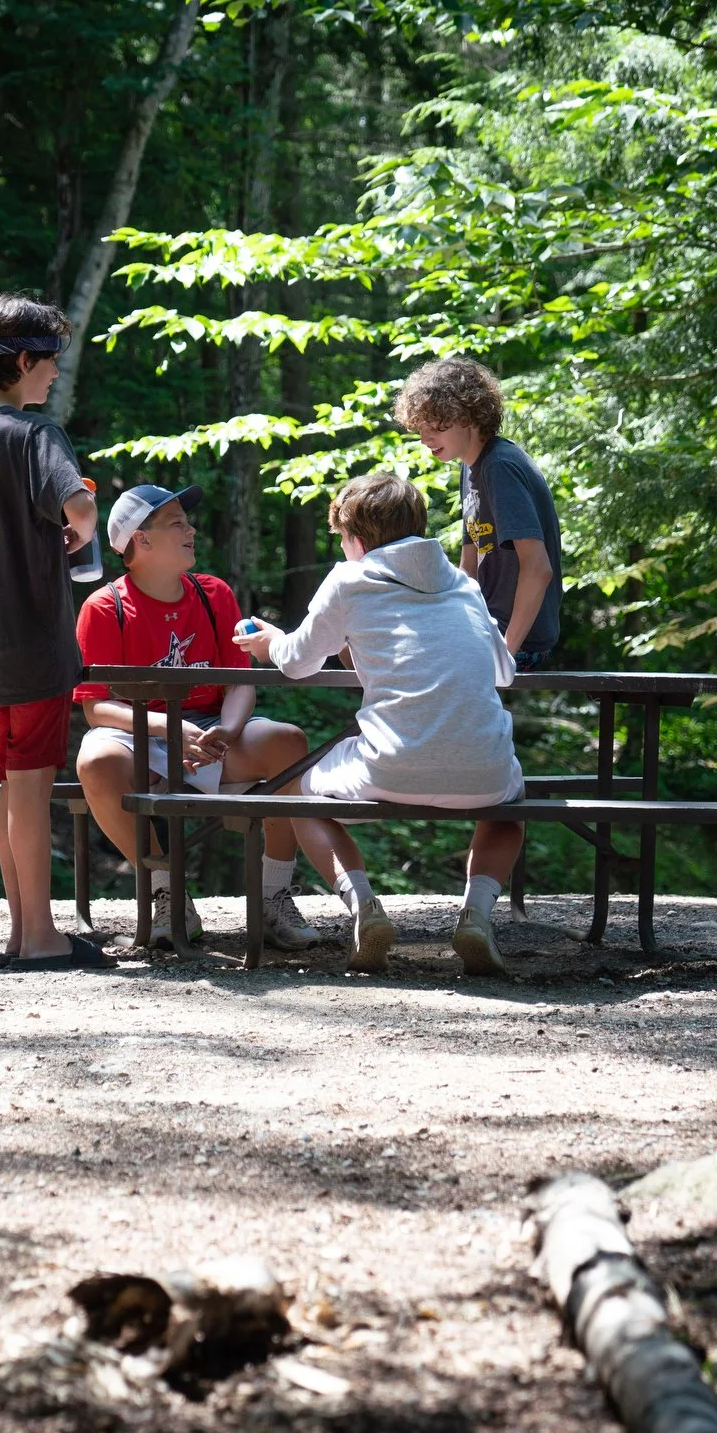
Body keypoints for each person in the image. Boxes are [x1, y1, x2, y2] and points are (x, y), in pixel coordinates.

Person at [234, 473, 525, 977]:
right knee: (508, 808)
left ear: (358, 540)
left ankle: (365, 908)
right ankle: (476, 916)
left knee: (297, 792)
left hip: (389, 765)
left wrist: (270, 643)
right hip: (484, 771)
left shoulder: (350, 578)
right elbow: (504, 671)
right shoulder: (465, 584)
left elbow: (298, 662)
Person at [0, 294, 115, 971]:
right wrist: (77, 532)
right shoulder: (36, 435)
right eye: (51, 363)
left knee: (12, 789)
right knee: (32, 791)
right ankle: (40, 938)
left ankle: (21, 932)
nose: (55, 376)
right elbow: (83, 506)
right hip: (35, 642)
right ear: (26, 361)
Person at [73, 484, 330, 955]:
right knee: (95, 760)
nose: (191, 529)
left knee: (287, 740)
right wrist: (169, 731)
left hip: (210, 728)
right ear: (141, 541)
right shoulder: (104, 607)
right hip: (139, 732)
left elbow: (240, 683)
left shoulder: (214, 594)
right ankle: (167, 895)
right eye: (176, 523)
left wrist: (226, 732)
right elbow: (97, 708)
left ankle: (273, 896)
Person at [394, 356, 564, 671]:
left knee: (400, 658)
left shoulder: (500, 466)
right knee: (376, 636)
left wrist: (504, 656)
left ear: (470, 416)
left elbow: (539, 569)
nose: (425, 438)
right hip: (483, 627)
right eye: (421, 427)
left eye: (436, 426)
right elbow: (468, 568)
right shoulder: (470, 468)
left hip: (517, 641)